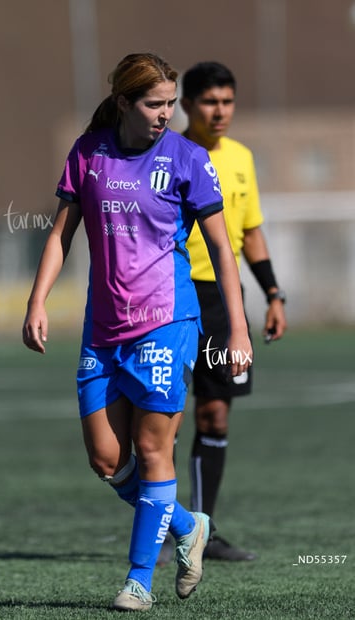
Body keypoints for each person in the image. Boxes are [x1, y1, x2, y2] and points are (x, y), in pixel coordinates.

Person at [23, 52, 252, 612]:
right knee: (107, 460)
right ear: (124, 102)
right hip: (102, 328)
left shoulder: (188, 159)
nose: (166, 114)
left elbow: (222, 248)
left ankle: (137, 581)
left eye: (171, 103)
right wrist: (37, 300)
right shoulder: (89, 153)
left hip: (168, 322)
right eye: (154, 104)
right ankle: (189, 524)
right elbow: (60, 235)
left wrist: (239, 330)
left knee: (154, 451)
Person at [168, 61, 287, 564]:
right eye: (211, 101)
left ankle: (205, 531)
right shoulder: (166, 153)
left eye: (228, 101)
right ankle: (161, 528)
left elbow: (251, 232)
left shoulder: (241, 157)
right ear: (188, 105)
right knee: (163, 421)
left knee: (214, 415)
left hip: (222, 299)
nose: (221, 111)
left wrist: (273, 293)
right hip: (171, 294)